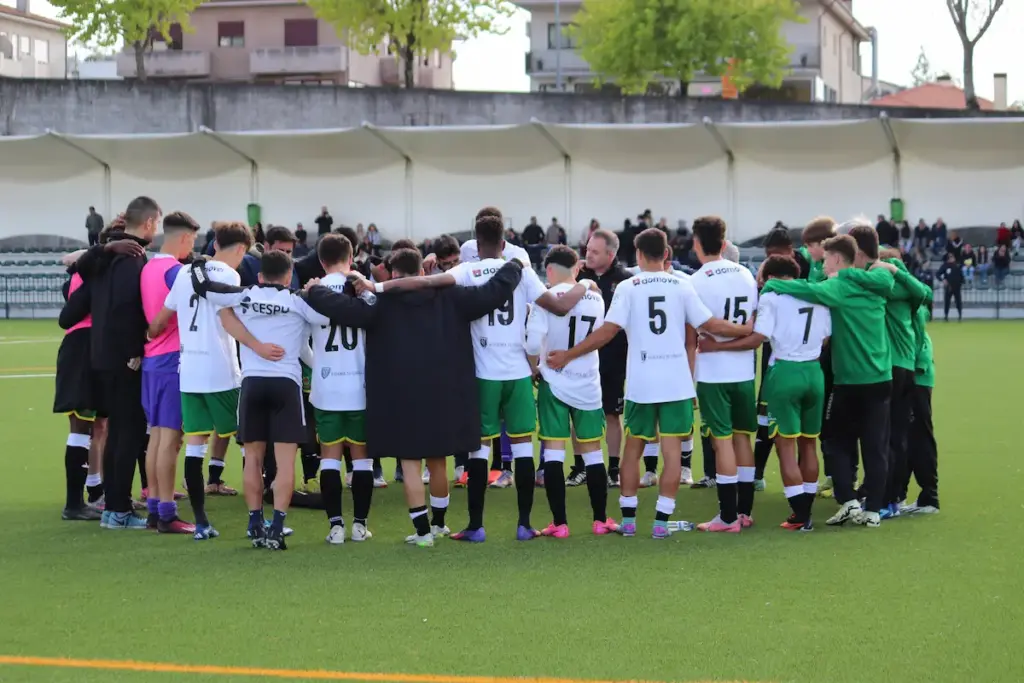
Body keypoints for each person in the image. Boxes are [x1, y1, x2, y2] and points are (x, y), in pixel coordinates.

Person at [380, 208, 591, 542]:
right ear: (504, 241)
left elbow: (422, 282)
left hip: (482, 375)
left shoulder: (467, 269)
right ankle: (523, 524)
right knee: (523, 449)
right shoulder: (520, 269)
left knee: (478, 450)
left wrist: (377, 286)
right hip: (519, 373)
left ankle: (476, 526)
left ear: (476, 243)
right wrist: (585, 283)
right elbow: (560, 306)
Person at [303, 248, 526, 546]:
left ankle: (422, 533)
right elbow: (491, 294)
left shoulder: (381, 303)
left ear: (393, 275)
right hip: (443, 392)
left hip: (400, 396)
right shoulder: (451, 296)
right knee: (437, 461)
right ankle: (439, 525)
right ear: (422, 272)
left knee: (410, 463)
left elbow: (344, 309)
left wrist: (315, 291)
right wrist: (513, 266)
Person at [548, 228, 751, 538]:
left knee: (633, 449)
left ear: (639, 255)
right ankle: (660, 522)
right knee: (672, 452)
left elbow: (606, 332)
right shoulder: (682, 285)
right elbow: (708, 324)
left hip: (642, 381)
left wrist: (569, 354)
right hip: (676, 383)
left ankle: (628, 521)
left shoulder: (628, 287)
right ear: (667, 254)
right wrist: (745, 329)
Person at [148, 221, 275, 539]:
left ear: (215, 243)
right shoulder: (230, 276)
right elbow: (229, 321)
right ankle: (255, 520)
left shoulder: (184, 273)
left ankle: (202, 523)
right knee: (249, 445)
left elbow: (161, 320)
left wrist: (147, 337)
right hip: (222, 372)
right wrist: (258, 346)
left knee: (194, 448)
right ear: (242, 250)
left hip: (188, 373)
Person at [760, 234, 895, 528]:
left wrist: (773, 283)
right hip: (882, 375)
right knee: (875, 445)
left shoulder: (837, 285)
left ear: (835, 259)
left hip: (848, 379)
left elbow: (809, 289)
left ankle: (847, 501)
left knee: (832, 441)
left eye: (824, 259)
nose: (821, 265)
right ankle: (873, 509)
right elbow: (887, 281)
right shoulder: (875, 283)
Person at [194, 250, 322, 550]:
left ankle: (254, 523)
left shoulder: (244, 295)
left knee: (252, 458)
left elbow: (208, 293)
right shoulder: (298, 301)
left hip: (252, 383)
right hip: (286, 385)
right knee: (286, 461)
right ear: (289, 276)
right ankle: (276, 527)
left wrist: (199, 261)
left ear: (260, 276)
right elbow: (313, 336)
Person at [699, 255, 831, 530]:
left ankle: (800, 514)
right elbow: (826, 337)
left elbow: (758, 338)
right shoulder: (819, 296)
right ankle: (805, 510)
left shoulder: (772, 297)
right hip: (814, 372)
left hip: (785, 372)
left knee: (785, 446)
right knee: (808, 443)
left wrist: (719, 347)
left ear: (770, 277)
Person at [74, 197, 160, 530]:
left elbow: (79, 270)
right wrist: (134, 351)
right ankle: (120, 510)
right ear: (150, 223)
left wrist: (105, 246)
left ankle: (112, 508)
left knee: (115, 433)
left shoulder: (107, 257)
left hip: (101, 354)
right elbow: (126, 307)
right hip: (124, 357)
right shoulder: (134, 257)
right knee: (129, 432)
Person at [525, 246, 618, 537]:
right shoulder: (596, 298)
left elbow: (531, 343)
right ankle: (600, 519)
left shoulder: (546, 300)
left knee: (553, 452)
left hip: (555, 381)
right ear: (576, 268)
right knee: (592, 453)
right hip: (588, 382)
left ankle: (560, 523)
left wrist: (534, 367)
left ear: (549, 270)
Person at [847, 227, 932, 521]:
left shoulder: (883, 283)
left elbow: (923, 292)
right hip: (905, 365)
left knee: (884, 437)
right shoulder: (903, 288)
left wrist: (845, 273)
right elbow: (924, 292)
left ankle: (884, 498)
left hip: (891, 366)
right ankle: (892, 497)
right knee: (896, 435)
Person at [302, 234, 377, 544]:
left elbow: (299, 345)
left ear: (321, 261)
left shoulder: (311, 294)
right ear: (352, 257)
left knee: (330, 457)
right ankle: (360, 526)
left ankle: (335, 527)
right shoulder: (365, 292)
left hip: (327, 385)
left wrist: (318, 361)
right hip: (360, 385)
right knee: (362, 460)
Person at [687, 217, 760, 532]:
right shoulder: (745, 274)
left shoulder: (697, 280)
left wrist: (689, 381)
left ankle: (728, 517)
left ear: (697, 243)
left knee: (722, 441)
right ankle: (743, 512)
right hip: (744, 369)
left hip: (713, 373)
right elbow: (755, 321)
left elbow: (694, 336)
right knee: (743, 437)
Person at [139, 211, 201, 534]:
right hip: (171, 361)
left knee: (156, 437)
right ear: (185, 238)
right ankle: (166, 512)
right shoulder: (177, 272)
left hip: (151, 361)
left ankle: (154, 508)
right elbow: (165, 318)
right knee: (170, 439)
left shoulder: (148, 267)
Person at [577, 229, 632, 488]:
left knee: (612, 413)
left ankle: (612, 468)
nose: (588, 254)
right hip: (580, 358)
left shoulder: (625, 281)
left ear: (611, 255)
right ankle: (580, 467)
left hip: (612, 359)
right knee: (578, 412)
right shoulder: (577, 274)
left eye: (594, 251)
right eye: (587, 249)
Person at [899, 306, 939, 515]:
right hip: (914, 376)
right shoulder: (913, 306)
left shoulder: (913, 309)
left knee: (920, 437)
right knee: (906, 437)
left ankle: (929, 497)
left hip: (916, 377)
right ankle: (901, 493)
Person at [936, 252, 963, 322]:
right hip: (948, 286)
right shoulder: (945, 266)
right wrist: (943, 280)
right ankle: (946, 316)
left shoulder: (957, 265)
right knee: (947, 302)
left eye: (952, 257)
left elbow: (961, 275)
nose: (952, 258)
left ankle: (960, 315)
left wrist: (961, 282)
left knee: (958, 301)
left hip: (956, 286)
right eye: (950, 257)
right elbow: (938, 274)